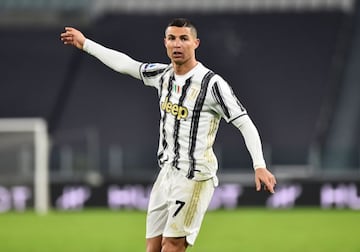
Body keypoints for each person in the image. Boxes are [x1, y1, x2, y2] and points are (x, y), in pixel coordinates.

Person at [60, 18, 276, 252]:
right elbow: (126, 64)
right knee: (153, 247)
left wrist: (259, 165)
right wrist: (86, 44)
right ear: (165, 43)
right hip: (167, 175)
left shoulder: (211, 84)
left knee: (172, 246)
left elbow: (244, 123)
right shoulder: (163, 76)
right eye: (172, 38)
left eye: (184, 38)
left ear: (195, 43)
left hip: (194, 177)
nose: (177, 44)